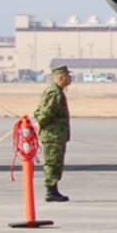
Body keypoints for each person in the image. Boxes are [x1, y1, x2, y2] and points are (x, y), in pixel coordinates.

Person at [34, 62, 71, 203]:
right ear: (60, 78)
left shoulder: (55, 91)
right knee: (53, 162)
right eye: (67, 76)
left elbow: (39, 110)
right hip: (53, 135)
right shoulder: (55, 92)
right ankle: (51, 190)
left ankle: (53, 189)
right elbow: (46, 111)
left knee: (56, 162)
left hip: (56, 134)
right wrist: (40, 123)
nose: (69, 79)